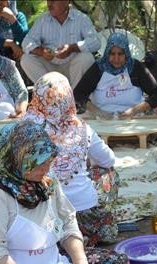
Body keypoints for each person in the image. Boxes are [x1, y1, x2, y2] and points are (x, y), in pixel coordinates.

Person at [0, 121, 128, 264]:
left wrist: (80, 262)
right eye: (38, 165)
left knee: (116, 263)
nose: (45, 169)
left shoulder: (47, 181)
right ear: (16, 159)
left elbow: (68, 222)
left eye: (48, 162)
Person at [24, 72, 120, 247]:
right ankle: (89, 235)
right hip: (83, 212)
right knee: (108, 174)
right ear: (67, 96)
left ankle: (58, 242)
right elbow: (109, 160)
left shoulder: (22, 130)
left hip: (38, 216)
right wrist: (84, 161)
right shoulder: (81, 129)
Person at [73, 31, 157, 119]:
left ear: (126, 53)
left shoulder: (136, 67)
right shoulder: (98, 68)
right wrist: (98, 112)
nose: (116, 59)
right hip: (102, 120)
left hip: (134, 119)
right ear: (107, 53)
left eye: (120, 54)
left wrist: (134, 111)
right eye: (112, 54)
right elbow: (78, 94)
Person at [20, 0, 100, 87]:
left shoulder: (81, 18)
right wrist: (42, 52)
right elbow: (26, 42)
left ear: (66, 1)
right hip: (49, 68)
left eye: (53, 0)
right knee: (26, 59)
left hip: (72, 68)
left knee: (87, 57)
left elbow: (96, 42)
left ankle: (74, 96)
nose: (49, 4)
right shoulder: (43, 19)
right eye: (48, 0)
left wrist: (72, 48)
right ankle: (51, 91)